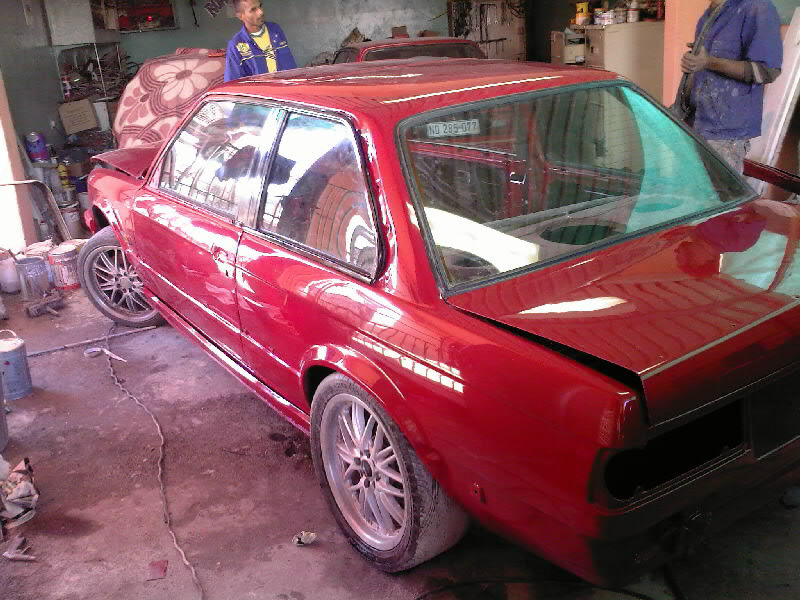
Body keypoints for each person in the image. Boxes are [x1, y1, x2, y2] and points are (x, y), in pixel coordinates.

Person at [678, 0, 782, 174]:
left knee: (721, 190)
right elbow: (702, 66)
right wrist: (692, 63)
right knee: (697, 190)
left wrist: (709, 62)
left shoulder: (757, 7)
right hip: (696, 125)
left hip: (726, 134)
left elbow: (767, 71)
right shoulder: (710, 13)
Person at [224, 0, 296, 82]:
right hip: (261, 90)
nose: (261, 12)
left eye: (260, 6)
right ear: (240, 16)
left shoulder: (275, 30)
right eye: (253, 9)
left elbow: (290, 65)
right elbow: (232, 83)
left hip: (286, 87)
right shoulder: (236, 44)